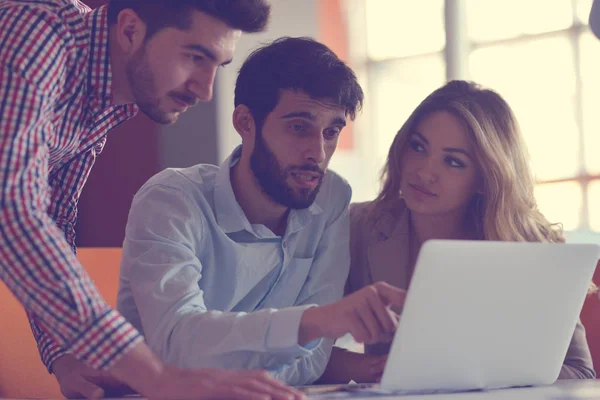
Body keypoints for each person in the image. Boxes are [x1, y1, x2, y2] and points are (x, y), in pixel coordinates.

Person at [0, 1, 307, 399]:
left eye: (218, 65)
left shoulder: (101, 102)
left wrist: (64, 353)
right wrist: (155, 375)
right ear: (130, 30)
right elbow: (14, 210)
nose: (205, 89)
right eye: (195, 56)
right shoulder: (37, 32)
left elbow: (51, 220)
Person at [116, 36, 406, 386]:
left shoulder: (330, 196)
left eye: (331, 132)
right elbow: (176, 346)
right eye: (299, 127)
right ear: (245, 122)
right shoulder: (171, 200)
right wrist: (313, 322)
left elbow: (313, 360)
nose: (318, 152)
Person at [319, 80, 596, 384]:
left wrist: (469, 376)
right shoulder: (359, 226)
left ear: (484, 178)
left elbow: (580, 373)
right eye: (418, 147)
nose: (424, 172)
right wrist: (373, 368)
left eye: (453, 161)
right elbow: (298, 350)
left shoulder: (530, 245)